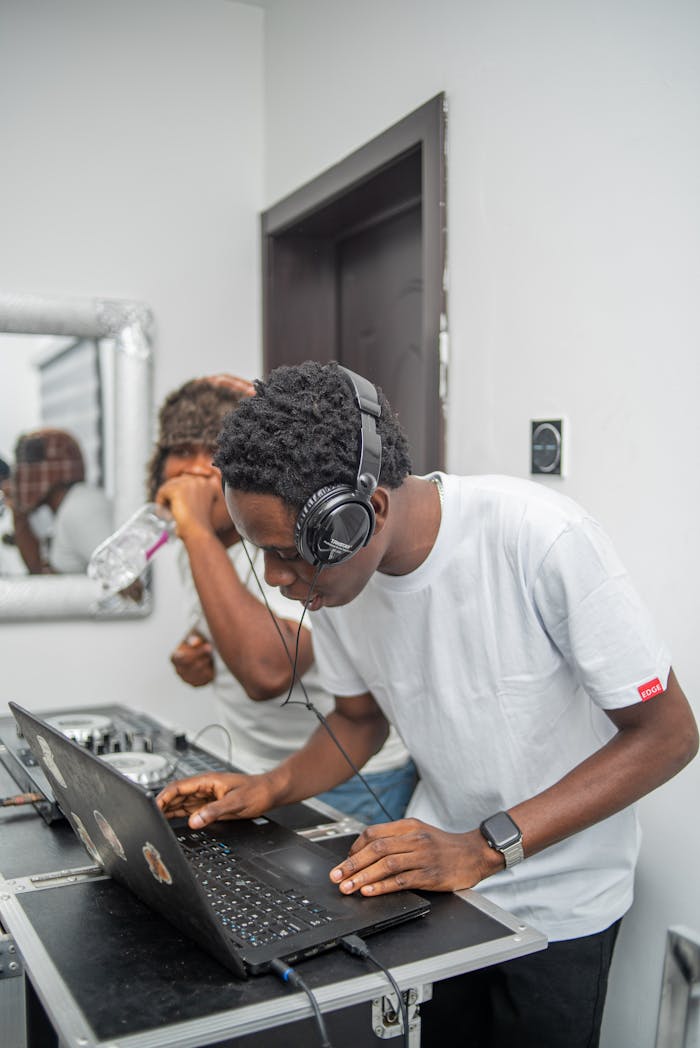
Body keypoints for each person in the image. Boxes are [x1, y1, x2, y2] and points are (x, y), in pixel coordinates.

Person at [157, 361, 697, 1047]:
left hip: (562, 900)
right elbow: (358, 719)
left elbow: (668, 735)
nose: (277, 580)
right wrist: (268, 788)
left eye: (287, 554)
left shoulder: (539, 539)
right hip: (439, 884)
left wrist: (483, 846)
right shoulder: (336, 584)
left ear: (362, 513)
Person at [147, 374, 417, 824]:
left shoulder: (299, 548)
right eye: (180, 450)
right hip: (252, 767)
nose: (195, 468)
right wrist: (205, 656)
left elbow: (271, 671)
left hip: (349, 778)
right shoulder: (195, 547)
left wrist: (195, 532)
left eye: (208, 451)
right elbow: (233, 631)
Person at [12, 428, 113, 574]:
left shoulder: (80, 508)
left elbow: (125, 574)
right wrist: (19, 513)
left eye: (29, 461)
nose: (20, 473)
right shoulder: (69, 508)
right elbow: (41, 573)